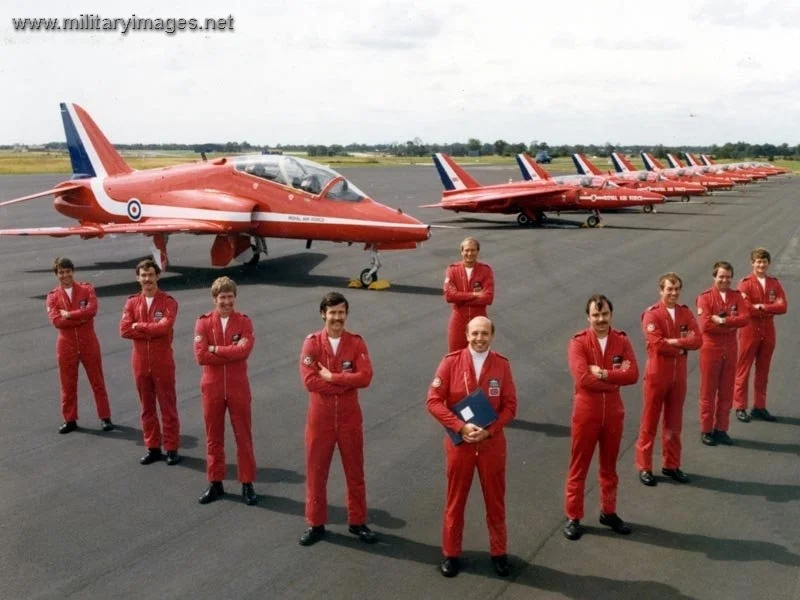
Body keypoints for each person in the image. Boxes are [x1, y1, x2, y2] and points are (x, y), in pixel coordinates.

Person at [426, 316, 517, 578]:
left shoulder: (501, 365)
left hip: (491, 445)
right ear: (466, 335)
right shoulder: (450, 362)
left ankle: (499, 552)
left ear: (492, 336)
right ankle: (451, 553)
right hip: (460, 446)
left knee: (495, 501)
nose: (479, 338)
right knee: (455, 501)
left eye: (484, 334)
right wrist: (460, 427)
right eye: (475, 333)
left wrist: (490, 430)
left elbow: (510, 406)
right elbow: (433, 401)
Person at [298, 292, 376, 547]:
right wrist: (344, 384)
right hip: (319, 420)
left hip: (349, 418)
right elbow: (309, 381)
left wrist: (334, 378)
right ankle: (316, 522)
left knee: (355, 471)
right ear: (323, 314)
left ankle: (357, 522)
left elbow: (365, 377)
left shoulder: (355, 343)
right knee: (316, 472)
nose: (337, 318)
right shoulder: (311, 343)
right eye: (332, 313)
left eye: (341, 312)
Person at [564, 295, 638, 541]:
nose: (601, 319)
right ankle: (573, 516)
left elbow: (634, 374)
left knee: (609, 466)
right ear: (588, 317)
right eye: (596, 315)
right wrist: (615, 379)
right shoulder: (579, 343)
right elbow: (582, 378)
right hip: (587, 412)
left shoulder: (622, 340)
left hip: (614, 412)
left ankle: (609, 511)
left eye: (605, 314)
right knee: (579, 466)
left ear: (611, 315)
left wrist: (605, 374)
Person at [193, 276, 258, 506]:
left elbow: (244, 352)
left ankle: (247, 484)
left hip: (237, 385)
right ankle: (215, 483)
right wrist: (229, 350)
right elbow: (201, 356)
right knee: (213, 436)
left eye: (230, 297)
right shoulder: (203, 322)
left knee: (243, 435)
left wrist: (215, 349)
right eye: (223, 297)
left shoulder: (244, 322)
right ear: (215, 299)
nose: (227, 301)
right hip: (211, 387)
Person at [635, 274, 702, 487]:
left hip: (678, 377)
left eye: (676, 289)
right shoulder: (651, 315)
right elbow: (656, 345)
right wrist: (682, 346)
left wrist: (673, 341)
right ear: (660, 290)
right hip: (657, 375)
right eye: (669, 289)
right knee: (649, 422)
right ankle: (644, 467)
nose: (673, 293)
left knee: (674, 423)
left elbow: (698, 339)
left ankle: (671, 464)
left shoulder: (685, 312)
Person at [120, 259, 181, 466]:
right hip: (139, 362)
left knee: (167, 406)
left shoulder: (168, 302)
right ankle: (152, 447)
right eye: (143, 276)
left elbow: (165, 327)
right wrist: (148, 328)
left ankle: (172, 448)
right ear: (138, 278)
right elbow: (124, 330)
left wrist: (139, 327)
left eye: (151, 275)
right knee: (146, 407)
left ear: (158, 276)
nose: (147, 280)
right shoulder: (131, 303)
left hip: (162, 361)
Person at [45, 257, 113, 434]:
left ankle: (105, 417)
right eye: (61, 272)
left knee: (97, 380)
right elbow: (57, 321)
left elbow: (92, 310)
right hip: (66, 344)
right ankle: (70, 419)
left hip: (88, 341)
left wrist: (70, 315)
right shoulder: (52, 297)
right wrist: (79, 317)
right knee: (67, 384)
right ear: (56, 274)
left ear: (73, 272)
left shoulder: (86, 289)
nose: (65, 275)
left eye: (68, 271)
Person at [696, 261, 750, 446]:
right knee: (708, 391)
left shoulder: (736, 296)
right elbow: (705, 325)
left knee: (727, 391)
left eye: (728, 277)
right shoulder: (705, 297)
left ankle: (721, 428)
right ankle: (706, 429)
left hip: (731, 348)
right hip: (711, 349)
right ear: (714, 277)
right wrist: (729, 323)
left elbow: (745, 318)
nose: (725, 280)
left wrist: (723, 321)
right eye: (721, 276)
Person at [733, 248, 788, 422]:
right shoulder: (745, 283)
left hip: (768, 329)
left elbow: (783, 306)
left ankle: (759, 406)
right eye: (758, 261)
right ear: (752, 263)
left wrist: (762, 307)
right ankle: (740, 406)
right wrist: (769, 307)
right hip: (750, 329)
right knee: (744, 368)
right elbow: (746, 308)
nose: (761, 265)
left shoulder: (774, 283)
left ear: (768, 263)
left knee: (763, 369)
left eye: (764, 261)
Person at [443, 237, 494, 352]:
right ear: (461, 252)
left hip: (479, 320)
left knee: (480, 354)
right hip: (458, 319)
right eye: (466, 250)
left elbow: (488, 298)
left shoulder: (486, 270)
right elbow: (449, 296)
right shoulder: (452, 270)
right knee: (455, 355)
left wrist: (460, 298)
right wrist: (474, 295)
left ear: (477, 251)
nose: (469, 253)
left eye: (473, 250)